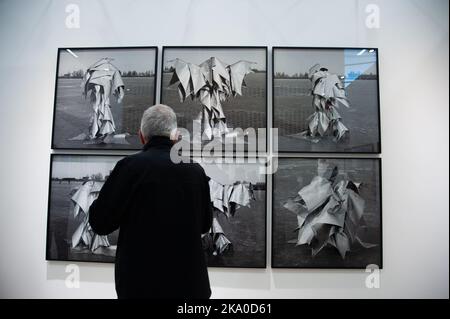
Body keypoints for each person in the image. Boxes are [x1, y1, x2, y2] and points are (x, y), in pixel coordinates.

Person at [88, 104, 213, 299]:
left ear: (141, 136)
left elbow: (100, 223)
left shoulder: (128, 168)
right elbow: (205, 225)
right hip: (190, 287)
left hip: (139, 287)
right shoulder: (195, 171)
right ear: (176, 136)